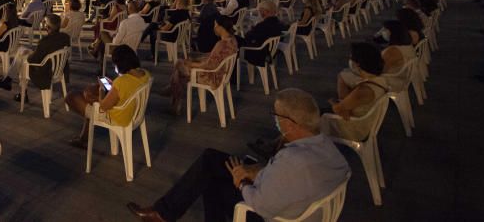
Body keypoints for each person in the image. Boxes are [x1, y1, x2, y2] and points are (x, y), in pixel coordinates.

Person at [127, 88, 351, 222]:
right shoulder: (328, 148)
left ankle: (163, 214)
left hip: (270, 212)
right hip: (286, 188)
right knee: (211, 158)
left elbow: (261, 205)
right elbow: (288, 177)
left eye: (276, 116)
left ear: (290, 124)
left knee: (212, 181)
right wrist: (258, 171)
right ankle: (163, 212)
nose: (275, 120)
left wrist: (242, 182)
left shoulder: (293, 161)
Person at [65, 45, 150, 148]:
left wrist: (102, 90)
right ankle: (83, 138)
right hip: (132, 111)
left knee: (71, 97)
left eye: (115, 64)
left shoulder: (122, 81)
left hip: (118, 117)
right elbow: (126, 88)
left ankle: (84, 138)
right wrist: (113, 85)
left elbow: (103, 106)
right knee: (90, 96)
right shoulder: (145, 74)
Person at [168, 15, 238, 115]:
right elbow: (215, 58)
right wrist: (197, 60)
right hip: (222, 74)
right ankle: (173, 96)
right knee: (180, 69)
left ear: (220, 27)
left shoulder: (221, 44)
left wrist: (192, 64)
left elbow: (209, 66)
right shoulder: (232, 40)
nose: (214, 27)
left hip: (212, 76)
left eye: (215, 25)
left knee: (179, 65)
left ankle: (174, 96)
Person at [322, 42, 389, 141]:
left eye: (351, 58)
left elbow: (338, 109)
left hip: (354, 129)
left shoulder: (363, 90)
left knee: (315, 114)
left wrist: (333, 101)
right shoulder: (380, 80)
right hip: (366, 122)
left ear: (357, 64)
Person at [0, 14, 70, 98]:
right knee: (21, 50)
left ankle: (20, 92)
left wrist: (28, 55)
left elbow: (32, 60)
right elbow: (49, 52)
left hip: (45, 70)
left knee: (22, 61)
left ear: (47, 26)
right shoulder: (66, 37)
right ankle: (9, 80)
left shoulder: (45, 41)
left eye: (44, 23)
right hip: (58, 67)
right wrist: (31, 52)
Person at [238, 0, 285, 67]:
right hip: (271, 50)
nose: (259, 12)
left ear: (265, 11)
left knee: (237, 43)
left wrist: (252, 29)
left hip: (261, 53)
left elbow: (248, 37)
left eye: (260, 10)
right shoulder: (278, 22)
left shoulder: (262, 25)